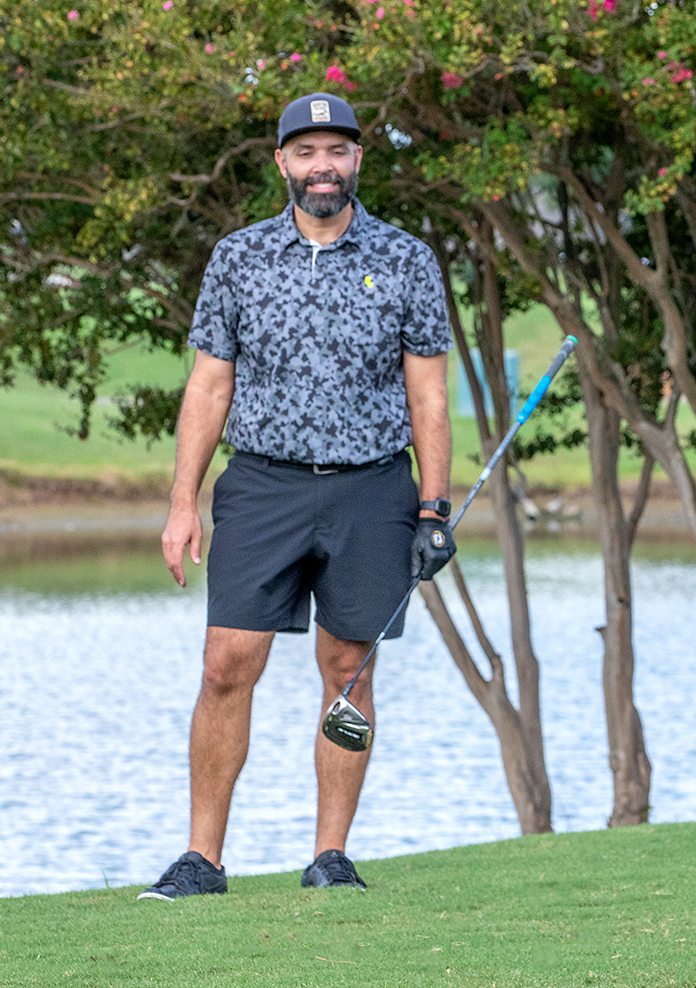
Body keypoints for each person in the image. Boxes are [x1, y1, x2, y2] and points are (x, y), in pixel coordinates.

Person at [138, 93, 455, 902]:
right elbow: (209, 387)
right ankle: (201, 860)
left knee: (349, 669)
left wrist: (433, 508)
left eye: (337, 151)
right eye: (307, 152)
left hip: (372, 490)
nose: (323, 167)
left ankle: (330, 857)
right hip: (262, 486)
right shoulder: (238, 258)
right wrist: (182, 502)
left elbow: (428, 397)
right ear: (282, 162)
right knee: (225, 664)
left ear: (358, 161)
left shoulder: (408, 259)